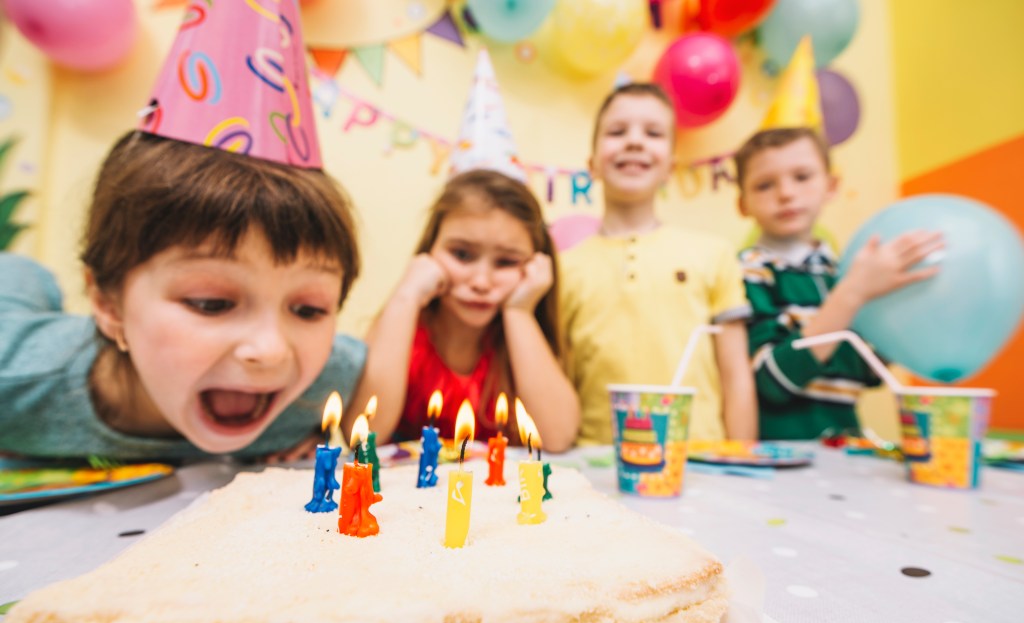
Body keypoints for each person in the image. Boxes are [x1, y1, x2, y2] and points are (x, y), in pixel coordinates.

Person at [0, 131, 364, 461]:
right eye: (211, 303)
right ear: (108, 304)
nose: (271, 351)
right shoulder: (16, 380)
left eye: (309, 309)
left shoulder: (321, 379)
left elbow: (367, 371)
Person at [560, 83, 757, 445]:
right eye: (617, 132)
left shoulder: (714, 254)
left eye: (653, 133)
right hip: (597, 461)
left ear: (670, 167)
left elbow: (736, 376)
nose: (634, 142)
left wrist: (740, 456)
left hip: (701, 457)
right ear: (592, 165)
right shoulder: (564, 268)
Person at [349, 169, 580, 452]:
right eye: (461, 254)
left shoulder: (521, 342)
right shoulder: (403, 327)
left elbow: (557, 438)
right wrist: (406, 297)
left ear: (535, 266)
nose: (481, 282)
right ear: (430, 250)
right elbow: (361, 435)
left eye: (506, 262)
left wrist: (519, 312)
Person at [734, 127, 943, 439]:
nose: (786, 193)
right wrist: (852, 293)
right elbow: (772, 383)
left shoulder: (844, 272)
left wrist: (908, 315)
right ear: (743, 204)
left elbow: (868, 373)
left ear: (831, 186)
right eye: (765, 185)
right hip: (780, 455)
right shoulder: (748, 271)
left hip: (847, 449)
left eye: (802, 177)